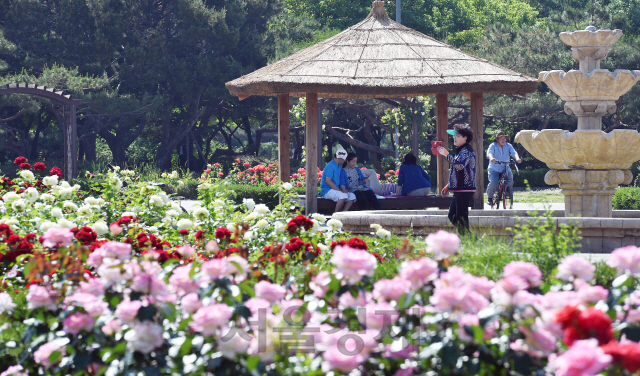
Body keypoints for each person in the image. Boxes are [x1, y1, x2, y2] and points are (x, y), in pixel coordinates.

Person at [437, 124, 476, 234]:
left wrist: (446, 155)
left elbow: (460, 166)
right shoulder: (460, 150)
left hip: (464, 189)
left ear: (465, 138)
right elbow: (457, 171)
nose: (454, 137)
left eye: (458, 135)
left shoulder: (466, 150)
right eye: (454, 135)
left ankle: (471, 242)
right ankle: (470, 239)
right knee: (452, 216)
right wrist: (448, 186)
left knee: (461, 219)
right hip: (459, 189)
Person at [486, 130, 522, 206]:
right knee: (493, 182)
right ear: (497, 139)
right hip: (494, 168)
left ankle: (508, 191)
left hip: (504, 167)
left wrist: (517, 158)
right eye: (501, 138)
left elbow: (514, 153)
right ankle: (489, 198)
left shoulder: (508, 146)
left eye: (504, 138)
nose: (503, 140)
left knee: (510, 176)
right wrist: (491, 158)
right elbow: (489, 153)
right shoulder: (493, 145)